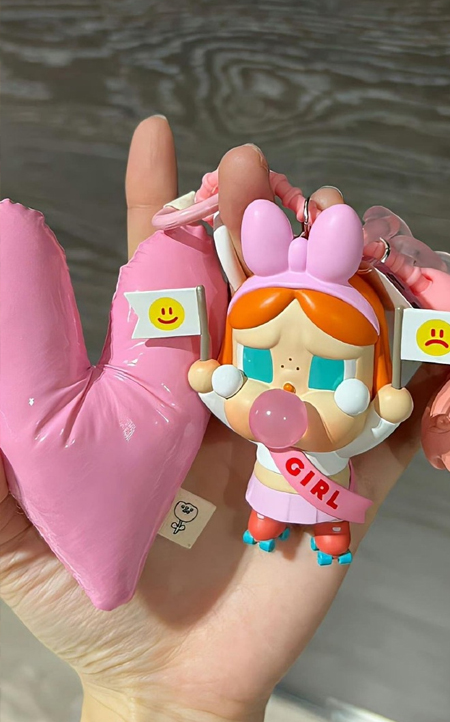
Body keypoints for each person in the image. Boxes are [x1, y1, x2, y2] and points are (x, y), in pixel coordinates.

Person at [0, 115, 446, 722]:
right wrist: (216, 382)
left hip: (323, 480)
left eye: (322, 369)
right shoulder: (238, 391)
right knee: (265, 510)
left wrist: (388, 408)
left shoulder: (355, 410)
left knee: (326, 521)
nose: (283, 385)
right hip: (264, 482)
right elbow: (218, 389)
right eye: (258, 360)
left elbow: (377, 418)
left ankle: (324, 535)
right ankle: (265, 525)